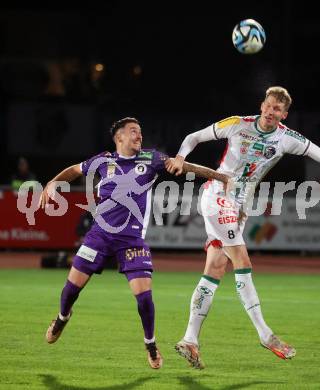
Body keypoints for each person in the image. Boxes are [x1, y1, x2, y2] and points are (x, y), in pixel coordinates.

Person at [166, 86, 320, 369]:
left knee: (216, 269)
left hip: (240, 208)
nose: (272, 112)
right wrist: (182, 157)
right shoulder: (237, 124)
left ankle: (190, 340)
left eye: (278, 110)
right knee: (242, 261)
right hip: (217, 196)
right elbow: (193, 138)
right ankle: (264, 333)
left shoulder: (286, 138)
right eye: (269, 106)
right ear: (262, 106)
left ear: (284, 114)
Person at [40, 117, 230, 370]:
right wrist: (53, 182)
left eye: (140, 132)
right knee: (70, 290)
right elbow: (75, 169)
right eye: (133, 132)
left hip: (131, 239)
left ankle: (150, 344)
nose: (139, 136)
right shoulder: (104, 160)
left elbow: (187, 166)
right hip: (99, 235)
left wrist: (220, 176)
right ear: (119, 138)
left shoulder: (150, 158)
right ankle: (63, 317)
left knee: (144, 298)